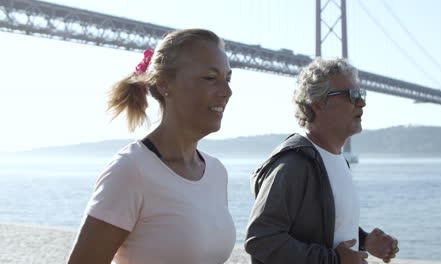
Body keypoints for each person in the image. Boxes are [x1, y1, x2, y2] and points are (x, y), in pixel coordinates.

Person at [67, 29, 236, 264]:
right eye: (210, 78)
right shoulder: (132, 170)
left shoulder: (217, 172)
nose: (227, 92)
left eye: (227, 79)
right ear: (164, 84)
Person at [244, 58, 399, 264]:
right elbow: (261, 240)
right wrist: (333, 260)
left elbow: (324, 229)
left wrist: (365, 240)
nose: (361, 102)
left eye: (361, 94)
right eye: (352, 95)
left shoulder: (338, 161)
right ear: (318, 104)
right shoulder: (293, 165)